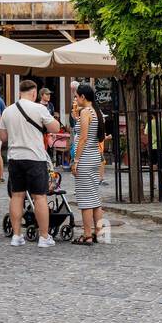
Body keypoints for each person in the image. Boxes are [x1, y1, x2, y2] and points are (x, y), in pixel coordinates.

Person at [2, 79, 62, 248]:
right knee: (40, 196)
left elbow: (3, 138)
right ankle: (44, 237)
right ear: (34, 93)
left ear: (19, 92)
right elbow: (55, 128)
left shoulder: (8, 111)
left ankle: (16, 236)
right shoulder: (40, 108)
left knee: (17, 196)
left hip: (15, 157)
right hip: (35, 157)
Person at [70, 83, 105, 244]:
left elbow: (83, 138)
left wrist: (76, 160)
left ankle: (87, 235)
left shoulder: (85, 112)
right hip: (95, 156)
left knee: (85, 200)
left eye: (77, 96)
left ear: (83, 97)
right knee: (95, 198)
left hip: (85, 157)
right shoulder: (96, 111)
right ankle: (99, 232)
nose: (75, 99)